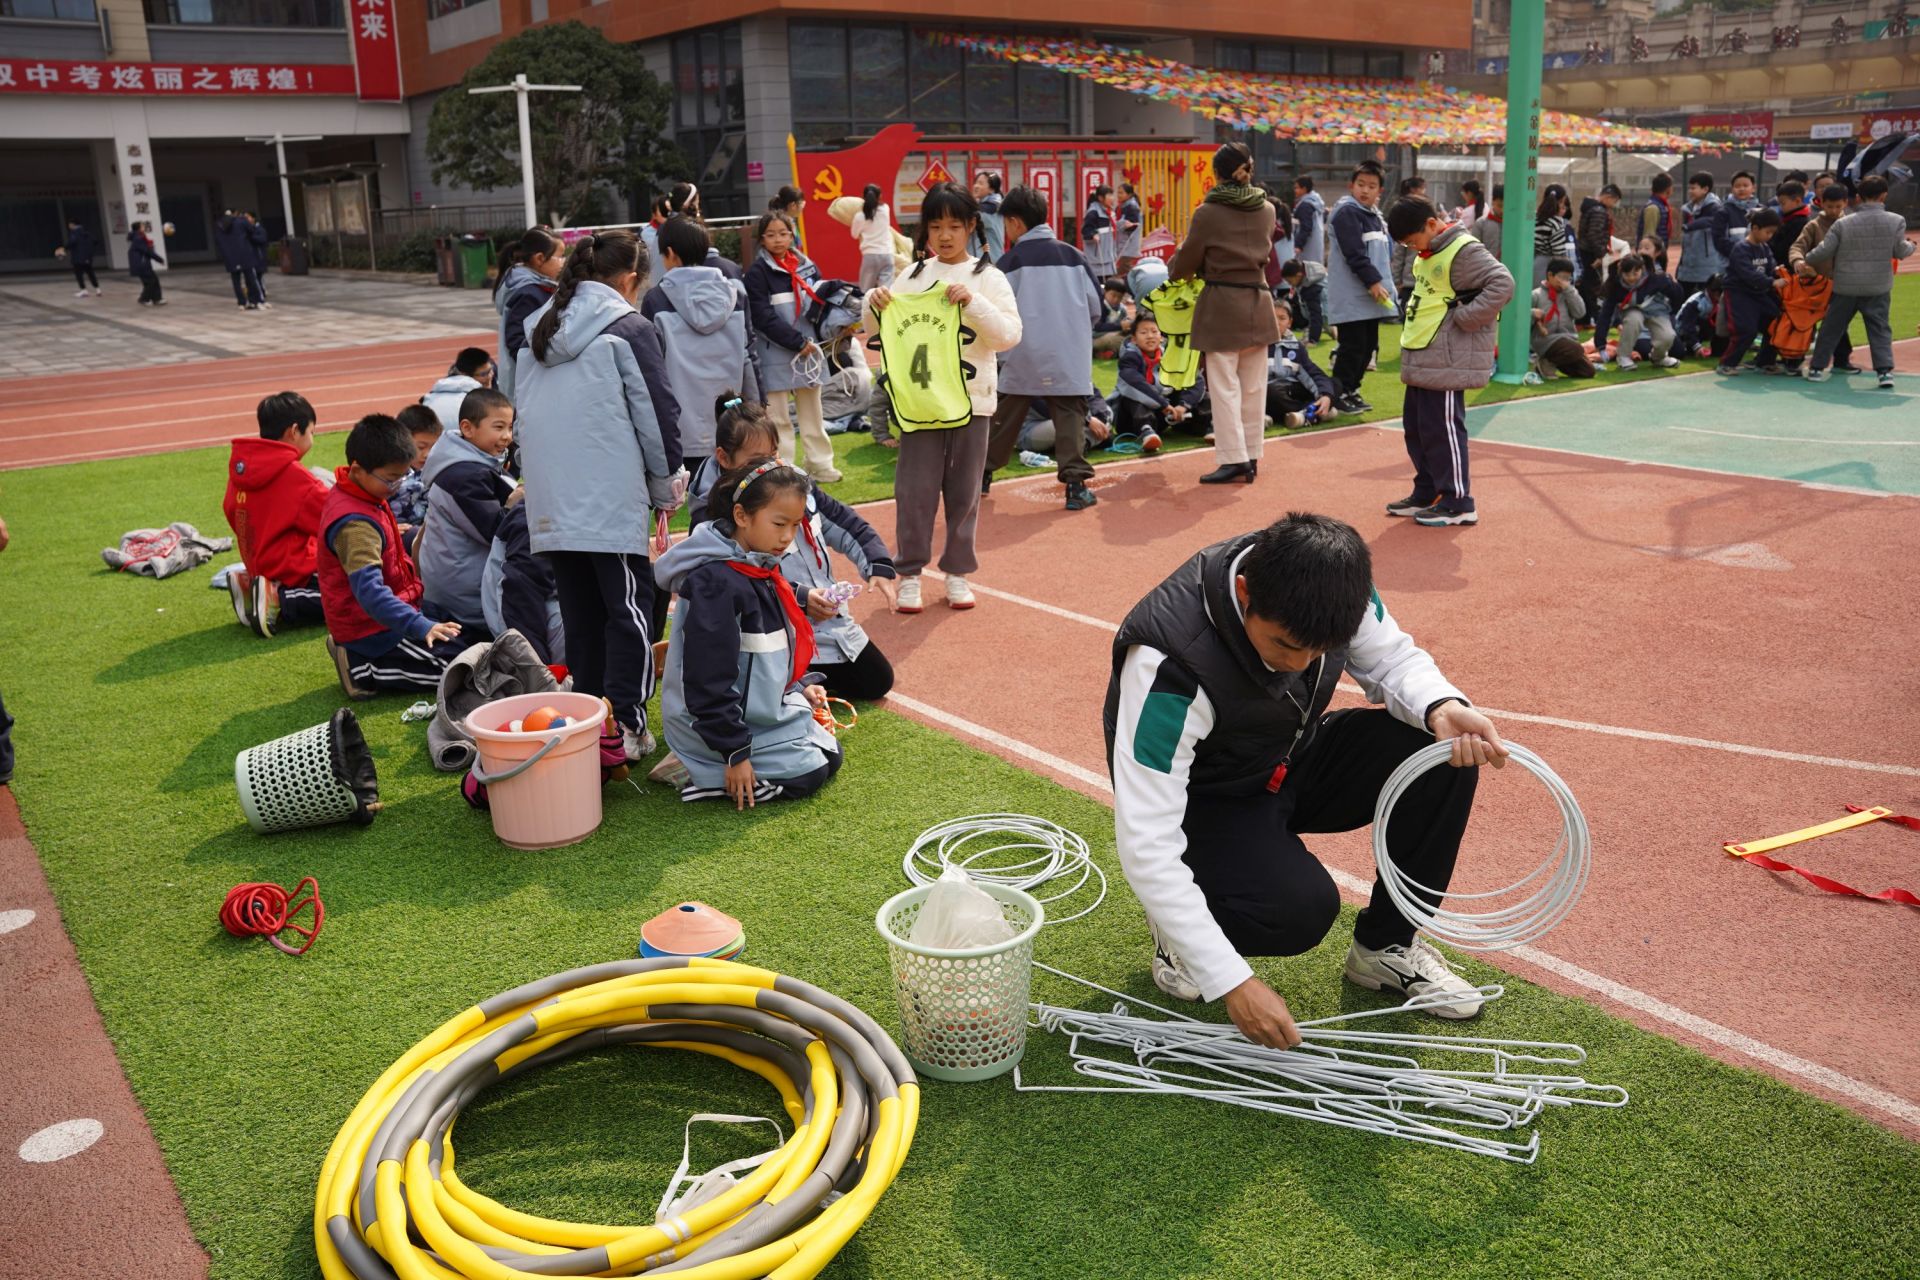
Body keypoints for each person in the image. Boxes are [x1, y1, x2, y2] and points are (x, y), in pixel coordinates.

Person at [1104, 512, 1510, 1044]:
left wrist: (1441, 705)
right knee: (1298, 913)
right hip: (1209, 797)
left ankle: (1384, 948)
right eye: (1284, 646)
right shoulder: (1168, 671)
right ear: (1245, 593)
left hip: (1288, 752)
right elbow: (1147, 840)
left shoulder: (1339, 590)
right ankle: (1182, 940)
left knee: (1441, 754)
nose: (1299, 664)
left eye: (1317, 651)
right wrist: (1230, 980)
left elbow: (1392, 659)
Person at [516, 229, 685, 760]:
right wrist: (666, 485)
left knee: (581, 615)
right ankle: (627, 724)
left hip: (551, 499)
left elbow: (524, 422)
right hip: (608, 496)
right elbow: (658, 415)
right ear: (631, 279)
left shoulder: (538, 330)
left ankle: (588, 722)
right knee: (630, 611)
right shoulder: (628, 328)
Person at [864, 182, 1020, 613]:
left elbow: (1009, 336)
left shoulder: (989, 277)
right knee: (914, 491)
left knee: (964, 493)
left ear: (971, 225)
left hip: (973, 402)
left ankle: (957, 573)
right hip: (921, 405)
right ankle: (910, 575)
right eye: (936, 226)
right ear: (925, 231)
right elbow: (878, 331)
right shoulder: (912, 276)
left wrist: (973, 303)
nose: (945, 235)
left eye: (954, 225)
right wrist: (873, 303)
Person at [656, 461, 844, 807]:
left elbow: (765, 654)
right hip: (711, 726)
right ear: (741, 516)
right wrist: (735, 753)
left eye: (795, 526)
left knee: (831, 756)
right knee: (810, 774)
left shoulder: (756, 564)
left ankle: (724, 759)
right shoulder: (717, 582)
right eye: (779, 524)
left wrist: (799, 686)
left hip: (753, 712)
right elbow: (707, 679)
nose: (787, 537)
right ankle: (702, 773)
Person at [686, 397, 899, 701]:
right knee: (774, 695)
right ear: (724, 457)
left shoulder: (793, 483)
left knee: (877, 681)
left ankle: (800, 681)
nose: (768, 466)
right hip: (767, 632)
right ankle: (787, 683)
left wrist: (877, 564)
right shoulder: (716, 518)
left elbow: (844, 521)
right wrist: (799, 598)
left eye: (773, 454)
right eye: (756, 459)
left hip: (823, 623)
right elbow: (740, 581)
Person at [317, 414, 465, 699]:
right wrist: (419, 625)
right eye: (391, 479)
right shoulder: (355, 525)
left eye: (403, 476)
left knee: (465, 636)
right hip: (374, 631)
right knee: (459, 672)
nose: (397, 486)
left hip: (397, 610)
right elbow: (371, 593)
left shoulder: (364, 495)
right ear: (357, 469)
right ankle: (361, 667)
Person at [1386, 195, 1513, 527]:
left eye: (1412, 241)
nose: (1412, 248)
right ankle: (1428, 491)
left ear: (1431, 224)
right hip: (1423, 350)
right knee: (1418, 428)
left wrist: (1467, 318)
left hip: (1446, 355)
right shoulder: (1430, 251)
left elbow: (1502, 283)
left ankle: (1458, 500)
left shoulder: (1463, 249)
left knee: (1442, 430)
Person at [1168, 142, 1282, 485]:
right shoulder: (1267, 209)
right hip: (1259, 302)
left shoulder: (1208, 212)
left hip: (1221, 304)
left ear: (1217, 174)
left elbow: (1184, 266)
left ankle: (1234, 458)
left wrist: (1180, 261)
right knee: (1254, 386)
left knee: (1224, 387)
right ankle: (1252, 455)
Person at [985, 184, 1103, 511]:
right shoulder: (1075, 257)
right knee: (1070, 419)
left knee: (1004, 418)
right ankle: (1076, 488)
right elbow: (1096, 308)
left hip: (1021, 353)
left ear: (1015, 222)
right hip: (1067, 354)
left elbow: (996, 311)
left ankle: (981, 476)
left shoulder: (1008, 263)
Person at [642, 214, 757, 458]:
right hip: (731, 421)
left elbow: (652, 368)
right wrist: (757, 409)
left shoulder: (656, 300)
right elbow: (749, 356)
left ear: (670, 253)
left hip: (680, 428)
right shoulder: (735, 295)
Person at [223, 390, 329, 637]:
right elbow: (332, 518)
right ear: (294, 431)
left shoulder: (241, 470)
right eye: (311, 432)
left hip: (258, 562)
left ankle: (253, 586)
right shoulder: (295, 477)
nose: (312, 439)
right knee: (350, 598)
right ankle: (278, 599)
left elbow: (230, 509)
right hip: (294, 569)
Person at [744, 211, 840, 483]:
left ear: (792, 235)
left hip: (808, 353)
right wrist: (797, 342)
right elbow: (762, 317)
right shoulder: (757, 273)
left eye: (783, 233)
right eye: (771, 235)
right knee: (778, 419)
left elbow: (821, 304)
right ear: (762, 239)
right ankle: (782, 470)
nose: (778, 240)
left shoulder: (807, 267)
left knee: (813, 414)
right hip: (775, 353)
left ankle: (820, 464)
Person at [417, 387, 516, 632]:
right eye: (498, 427)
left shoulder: (464, 461)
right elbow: (498, 532)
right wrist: (514, 504)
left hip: (453, 584)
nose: (507, 436)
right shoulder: (464, 477)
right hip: (465, 598)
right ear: (468, 428)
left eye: (510, 427)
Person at [1804, 174, 1914, 389]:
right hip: (1877, 286)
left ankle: (1816, 368)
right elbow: (1900, 251)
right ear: (1884, 196)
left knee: (1831, 327)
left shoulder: (1843, 223)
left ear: (1857, 197)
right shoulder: (1896, 220)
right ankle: (1884, 373)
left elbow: (1824, 251)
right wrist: (1912, 246)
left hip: (1846, 285)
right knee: (1879, 329)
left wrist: (1805, 260)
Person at [1325, 160, 1396, 414]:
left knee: (1367, 347)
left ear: (1380, 191)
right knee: (1352, 347)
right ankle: (1338, 393)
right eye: (1361, 184)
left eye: (1372, 186)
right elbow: (1354, 253)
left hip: (1371, 297)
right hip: (1352, 295)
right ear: (1351, 186)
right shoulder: (1347, 212)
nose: (1365, 190)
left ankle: (1352, 390)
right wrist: (1374, 282)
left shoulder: (1374, 216)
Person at [1786, 181, 1858, 374]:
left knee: (1838, 324)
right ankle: (1794, 360)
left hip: (1841, 285)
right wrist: (1798, 261)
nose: (1833, 211)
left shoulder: (1852, 225)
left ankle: (1842, 359)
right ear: (1821, 203)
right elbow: (1797, 247)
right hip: (1815, 285)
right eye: (1829, 206)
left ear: (1845, 203)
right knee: (1805, 324)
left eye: (1838, 206)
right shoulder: (1813, 226)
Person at [492, 227, 564, 400]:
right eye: (559, 256)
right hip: (526, 385)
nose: (563, 262)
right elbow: (517, 342)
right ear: (539, 258)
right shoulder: (529, 293)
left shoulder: (526, 284)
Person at [1111, 313, 1203, 448]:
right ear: (1134, 339)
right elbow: (1135, 384)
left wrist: (1183, 406)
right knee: (1133, 396)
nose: (1150, 336)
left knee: (1197, 390)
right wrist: (1163, 404)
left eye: (1154, 332)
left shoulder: (1170, 356)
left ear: (1161, 337)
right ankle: (1146, 431)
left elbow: (1195, 378)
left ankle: (1206, 426)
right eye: (1143, 332)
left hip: (1162, 415)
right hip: (1129, 421)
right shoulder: (1129, 358)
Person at [1716, 208, 1783, 376]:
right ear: (1755, 228)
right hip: (1739, 294)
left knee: (1776, 323)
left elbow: (1770, 267)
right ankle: (1727, 364)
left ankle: (1765, 361)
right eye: (1768, 232)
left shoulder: (1764, 247)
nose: (1770, 236)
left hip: (1759, 294)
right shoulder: (1741, 248)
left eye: (1772, 233)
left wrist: (1778, 271)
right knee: (1746, 330)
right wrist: (1772, 282)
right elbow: (1748, 274)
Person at [1264, 297, 1339, 428]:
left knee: (1334, 384)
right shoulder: (1256, 346)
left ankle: (1303, 414)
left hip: (1292, 389)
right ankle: (1311, 414)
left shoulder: (1296, 347)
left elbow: (1312, 372)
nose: (1276, 322)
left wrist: (1325, 396)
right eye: (1272, 317)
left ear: (1289, 322)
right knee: (1271, 391)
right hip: (1270, 393)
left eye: (1282, 318)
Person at [1602, 254, 1681, 371]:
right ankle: (1623, 357)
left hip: (1655, 310)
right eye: (1627, 274)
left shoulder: (1656, 278)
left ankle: (1659, 358)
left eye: (1635, 273)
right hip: (1631, 310)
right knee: (1633, 319)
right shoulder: (1614, 284)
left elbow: (1677, 294)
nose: (1631, 278)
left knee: (1668, 336)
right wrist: (1600, 344)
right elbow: (1605, 315)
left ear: (1642, 269)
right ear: (1621, 271)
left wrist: (1672, 310)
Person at [1530, 258, 1594, 379]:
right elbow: (1521, 317)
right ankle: (1546, 363)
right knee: (1575, 349)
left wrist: (1570, 291)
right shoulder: (1536, 295)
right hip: (1545, 340)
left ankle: (1550, 363)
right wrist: (1532, 313)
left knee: (1587, 371)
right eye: (1562, 277)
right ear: (1550, 275)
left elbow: (1580, 313)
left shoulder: (1569, 294)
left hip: (1567, 340)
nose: (1565, 282)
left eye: (1568, 278)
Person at [1676, 172, 1731, 291]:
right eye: (1689, 188)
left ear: (1705, 189)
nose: (1690, 191)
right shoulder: (1688, 209)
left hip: (1707, 266)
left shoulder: (1715, 207)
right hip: (1689, 264)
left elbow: (1712, 220)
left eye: (1693, 188)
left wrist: (1691, 226)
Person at [389, 404, 441, 528]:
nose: (427, 454)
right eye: (421, 447)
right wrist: (390, 528)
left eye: (434, 447)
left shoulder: (438, 471)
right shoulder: (387, 473)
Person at [422, 348, 495, 433]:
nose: (490, 375)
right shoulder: (478, 402)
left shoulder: (431, 395)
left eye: (491, 370)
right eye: (484, 374)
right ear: (465, 375)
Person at [1576, 183, 1621, 319]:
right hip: (1591, 254)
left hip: (1585, 251)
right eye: (1614, 201)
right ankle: (1591, 317)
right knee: (1592, 287)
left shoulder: (1591, 208)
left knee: (1585, 285)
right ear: (1608, 197)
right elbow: (1594, 235)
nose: (1614, 205)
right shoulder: (1599, 211)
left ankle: (1584, 318)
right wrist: (1600, 255)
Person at [214, 210, 263, 310]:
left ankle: (241, 303)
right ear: (235, 213)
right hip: (244, 253)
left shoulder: (219, 224)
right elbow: (252, 231)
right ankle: (254, 300)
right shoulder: (241, 221)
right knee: (250, 278)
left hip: (230, 256)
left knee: (236, 281)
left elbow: (218, 241)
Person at [850, 184, 896, 292]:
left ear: (863, 197)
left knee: (865, 291)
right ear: (880, 196)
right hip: (887, 254)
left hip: (870, 256)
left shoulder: (860, 216)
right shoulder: (885, 209)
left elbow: (854, 234)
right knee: (885, 291)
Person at [1388, 177, 1426, 303]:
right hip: (1410, 282)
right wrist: (1397, 281)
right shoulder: (1405, 215)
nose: (1424, 191)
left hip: (1421, 280)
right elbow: (1399, 252)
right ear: (1413, 190)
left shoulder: (1424, 211)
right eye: (1422, 188)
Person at [1671, 276, 1724, 361]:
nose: (1719, 295)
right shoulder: (1696, 303)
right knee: (1680, 351)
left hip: (1701, 327)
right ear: (1709, 290)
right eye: (1717, 292)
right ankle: (1688, 346)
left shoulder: (1719, 300)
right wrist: (1696, 346)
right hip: (1682, 332)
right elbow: (1687, 326)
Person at [1277, 257, 1329, 345]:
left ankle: (1319, 330)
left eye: (1289, 281)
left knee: (1314, 316)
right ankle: (1328, 327)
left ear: (1298, 275)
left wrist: (1312, 340)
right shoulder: (1307, 275)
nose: (1289, 284)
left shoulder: (1312, 289)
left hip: (1325, 314)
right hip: (1326, 311)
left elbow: (1316, 315)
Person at [1532, 183, 1573, 288]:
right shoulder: (1556, 222)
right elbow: (1559, 254)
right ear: (1562, 201)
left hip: (1532, 263)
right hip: (1548, 267)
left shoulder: (1534, 218)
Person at [1081, 185, 1120, 281]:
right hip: (1097, 259)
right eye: (1109, 195)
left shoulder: (1109, 211)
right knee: (1099, 283)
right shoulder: (1093, 212)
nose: (1112, 198)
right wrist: (1093, 235)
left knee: (1108, 283)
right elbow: (1086, 230)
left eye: (1112, 195)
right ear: (1100, 198)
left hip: (1108, 257)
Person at [1640, 174, 1677, 272]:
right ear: (1668, 189)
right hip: (1653, 257)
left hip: (1658, 254)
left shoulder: (1661, 205)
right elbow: (1649, 236)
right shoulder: (1653, 208)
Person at [1291, 174, 1327, 266]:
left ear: (1304, 189)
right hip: (1316, 243)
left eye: (1297, 188)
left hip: (1308, 247)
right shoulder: (1316, 201)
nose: (1294, 190)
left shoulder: (1305, 205)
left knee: (1307, 270)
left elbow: (1306, 227)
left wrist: (1299, 245)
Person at [1773, 180, 1810, 266]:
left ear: (1797, 201)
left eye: (1783, 204)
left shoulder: (1801, 223)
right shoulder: (1786, 218)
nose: (1780, 207)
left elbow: (1785, 249)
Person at [127, 222, 165, 306]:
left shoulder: (139, 237)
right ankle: (144, 299)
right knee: (150, 282)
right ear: (139, 228)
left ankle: (157, 299)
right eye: (142, 226)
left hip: (143, 264)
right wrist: (159, 259)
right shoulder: (138, 238)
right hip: (141, 264)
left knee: (153, 281)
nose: (144, 227)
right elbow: (147, 251)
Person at [971, 170, 1005, 261]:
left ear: (991, 189)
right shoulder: (981, 205)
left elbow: (971, 217)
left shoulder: (992, 207)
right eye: (976, 182)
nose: (976, 186)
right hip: (983, 260)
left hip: (991, 261)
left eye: (981, 183)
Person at [61, 219, 101, 297]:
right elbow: (95, 241)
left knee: (79, 274)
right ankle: (98, 289)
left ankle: (84, 290)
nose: (69, 226)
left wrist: (64, 248)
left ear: (73, 225)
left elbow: (71, 243)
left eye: (69, 225)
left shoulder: (74, 233)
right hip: (88, 257)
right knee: (90, 273)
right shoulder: (87, 233)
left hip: (78, 258)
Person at [1093, 278, 1129, 357]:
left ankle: (1103, 353)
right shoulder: (1100, 306)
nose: (1116, 299)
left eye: (1120, 297)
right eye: (1113, 295)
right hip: (1096, 338)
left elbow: (1125, 323)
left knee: (1131, 338)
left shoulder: (1122, 309)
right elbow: (1097, 327)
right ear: (1105, 292)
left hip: (1114, 335)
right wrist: (1120, 326)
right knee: (1119, 341)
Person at [244, 213, 272, 307]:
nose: (246, 219)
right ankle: (252, 299)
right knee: (251, 280)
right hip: (250, 258)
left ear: (253, 218)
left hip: (258, 258)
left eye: (248, 217)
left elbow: (262, 239)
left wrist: (251, 237)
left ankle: (260, 298)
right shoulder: (248, 230)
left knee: (257, 279)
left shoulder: (259, 229)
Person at [1115, 182, 1143, 273]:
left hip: (1128, 244)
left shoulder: (1132, 207)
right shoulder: (1121, 206)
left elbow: (1133, 226)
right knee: (1124, 269)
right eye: (1118, 192)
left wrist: (1124, 225)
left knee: (1123, 269)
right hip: (1122, 244)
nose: (1118, 195)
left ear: (1129, 194)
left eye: (1121, 193)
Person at [1724, 170, 1760, 236]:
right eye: (1737, 186)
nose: (1741, 189)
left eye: (1745, 186)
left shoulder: (1762, 210)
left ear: (1753, 188)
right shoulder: (1724, 211)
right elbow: (1720, 237)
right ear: (1732, 189)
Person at [1471, 183, 1504, 251]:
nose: (1502, 210)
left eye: (1506, 206)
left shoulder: (1515, 225)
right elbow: (1474, 250)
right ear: (1493, 202)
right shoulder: (1481, 223)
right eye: (1499, 205)